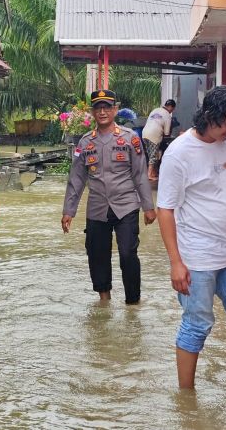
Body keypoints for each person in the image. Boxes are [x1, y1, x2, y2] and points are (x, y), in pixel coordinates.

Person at [156, 86, 226, 388]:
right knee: (197, 326)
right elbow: (165, 210)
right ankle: (186, 399)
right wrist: (176, 263)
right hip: (197, 258)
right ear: (209, 116)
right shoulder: (178, 153)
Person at [62, 89, 157, 304]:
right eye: (98, 108)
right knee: (97, 254)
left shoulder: (130, 138)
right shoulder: (85, 142)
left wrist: (148, 207)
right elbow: (76, 179)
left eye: (107, 107)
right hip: (97, 207)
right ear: (92, 112)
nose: (103, 112)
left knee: (128, 254)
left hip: (126, 205)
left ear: (115, 110)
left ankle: (132, 303)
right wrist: (69, 211)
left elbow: (140, 174)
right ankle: (104, 301)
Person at [142, 99, 176, 180]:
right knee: (154, 156)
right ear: (171, 107)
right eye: (173, 109)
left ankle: (153, 173)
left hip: (144, 133)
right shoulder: (167, 115)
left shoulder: (155, 110)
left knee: (150, 155)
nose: (172, 111)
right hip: (154, 135)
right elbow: (167, 133)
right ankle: (149, 175)